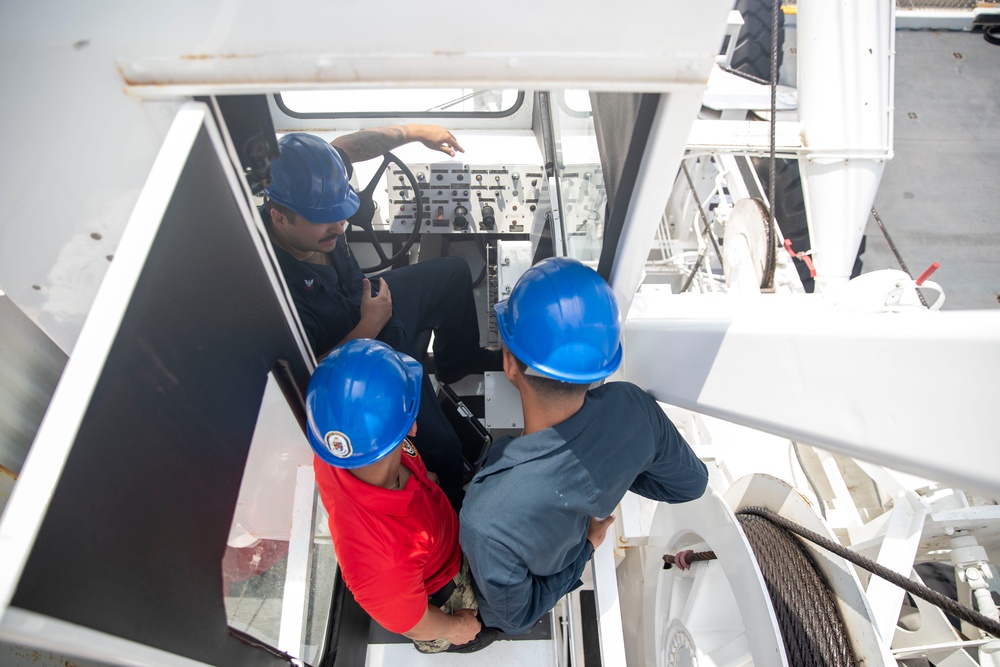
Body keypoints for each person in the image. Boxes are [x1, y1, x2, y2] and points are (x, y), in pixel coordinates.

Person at [459, 257, 709, 635]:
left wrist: (585, 550)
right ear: (602, 367)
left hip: (482, 615)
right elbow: (691, 483)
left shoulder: (486, 519)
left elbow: (515, 616)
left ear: (509, 364)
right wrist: (618, 472)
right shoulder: (633, 408)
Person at [262, 127, 500, 508]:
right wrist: (368, 328)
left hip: (372, 301)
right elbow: (306, 381)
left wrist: (415, 132)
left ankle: (459, 364)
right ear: (279, 218)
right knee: (444, 448)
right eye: (326, 221)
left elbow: (349, 147)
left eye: (342, 213)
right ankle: (452, 518)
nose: (340, 227)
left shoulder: (313, 184)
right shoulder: (272, 292)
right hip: (357, 360)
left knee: (454, 274)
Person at [306, 339, 497, 653]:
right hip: (445, 590)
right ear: (411, 428)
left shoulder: (336, 449)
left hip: (441, 537)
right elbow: (415, 622)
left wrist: (426, 483)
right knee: (487, 625)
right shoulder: (382, 564)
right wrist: (460, 627)